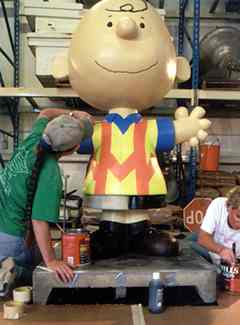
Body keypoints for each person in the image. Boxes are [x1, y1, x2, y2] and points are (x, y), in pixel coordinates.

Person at [52, 0, 211, 259]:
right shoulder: (95, 129)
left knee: (145, 228)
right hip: (107, 191)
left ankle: (138, 233)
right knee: (107, 233)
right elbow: (75, 140)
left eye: (141, 25)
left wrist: (188, 127)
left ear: (178, 67)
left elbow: (171, 132)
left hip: (141, 190)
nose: (126, 28)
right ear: (64, 66)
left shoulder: (145, 129)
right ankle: (109, 232)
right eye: (110, 24)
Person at [0, 108, 94, 284]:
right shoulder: (50, 174)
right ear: (74, 148)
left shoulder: (33, 139)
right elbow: (39, 221)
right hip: (12, 237)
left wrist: (72, 113)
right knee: (18, 285)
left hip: (3, 226)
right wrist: (51, 261)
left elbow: (45, 112)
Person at [191, 185, 240, 266]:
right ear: (229, 207)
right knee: (184, 243)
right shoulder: (218, 204)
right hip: (211, 249)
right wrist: (221, 250)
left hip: (225, 265)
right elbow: (202, 238)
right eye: (239, 217)